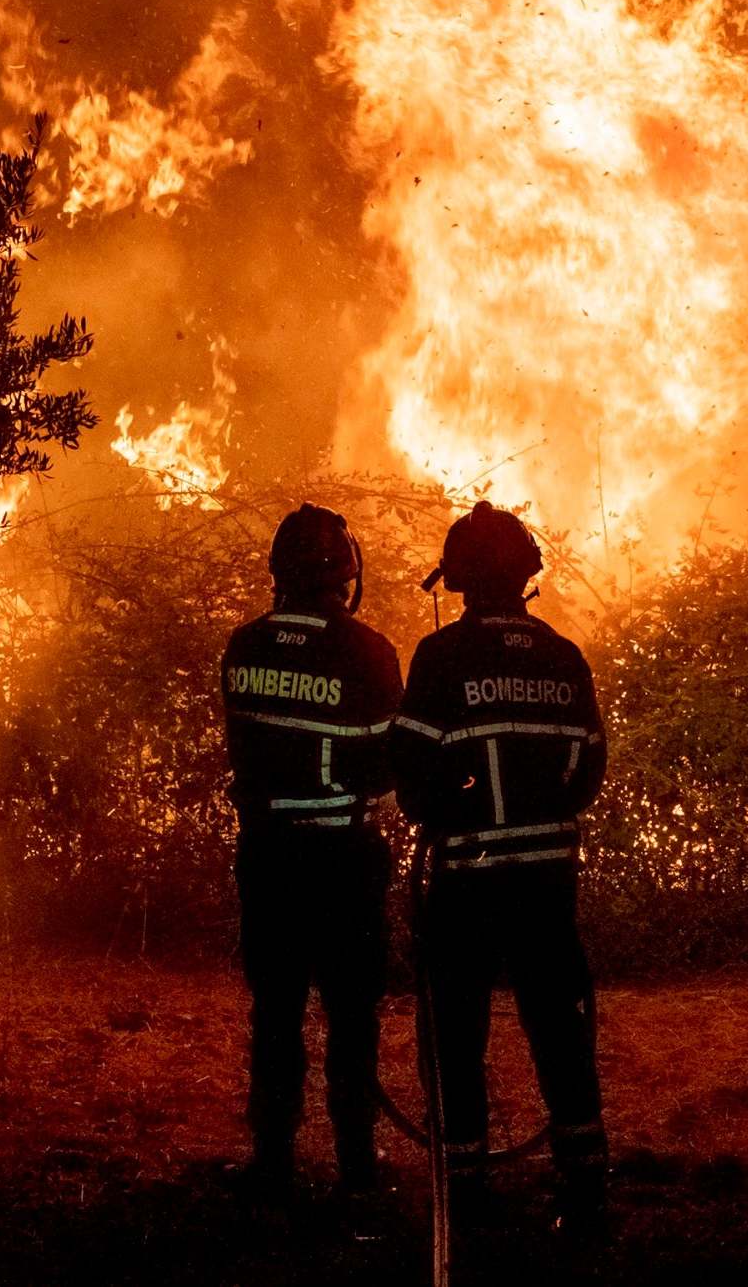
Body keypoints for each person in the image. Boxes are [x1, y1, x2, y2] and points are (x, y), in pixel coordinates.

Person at [392, 501, 610, 1227]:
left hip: (468, 884)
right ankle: (584, 1187)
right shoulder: (563, 655)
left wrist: (458, 809)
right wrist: (543, 811)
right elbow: (589, 768)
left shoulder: (441, 658)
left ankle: (467, 1189)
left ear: (455, 579)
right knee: (560, 1029)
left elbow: (411, 773)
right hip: (547, 884)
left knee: (458, 1035)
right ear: (526, 574)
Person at [220, 503, 404, 1197]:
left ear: (280, 571)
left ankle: (272, 1162)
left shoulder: (245, 646)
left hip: (267, 856)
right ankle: (357, 1170)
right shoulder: (367, 651)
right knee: (352, 1017)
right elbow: (386, 766)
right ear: (346, 573)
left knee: (275, 1012)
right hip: (342, 861)